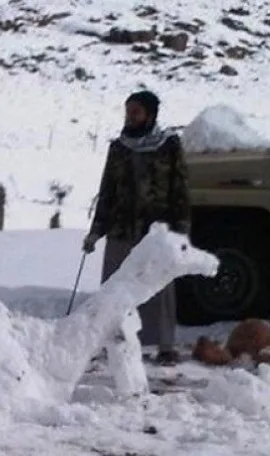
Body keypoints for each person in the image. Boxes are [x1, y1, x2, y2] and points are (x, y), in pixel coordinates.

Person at [82, 90, 191, 365]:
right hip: (121, 228)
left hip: (157, 231)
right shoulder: (119, 147)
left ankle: (164, 345)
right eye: (128, 112)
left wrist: (181, 230)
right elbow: (107, 190)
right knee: (115, 286)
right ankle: (110, 340)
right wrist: (96, 231)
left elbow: (179, 190)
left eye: (136, 112)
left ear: (150, 115)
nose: (130, 118)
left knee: (159, 287)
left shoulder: (169, 146)